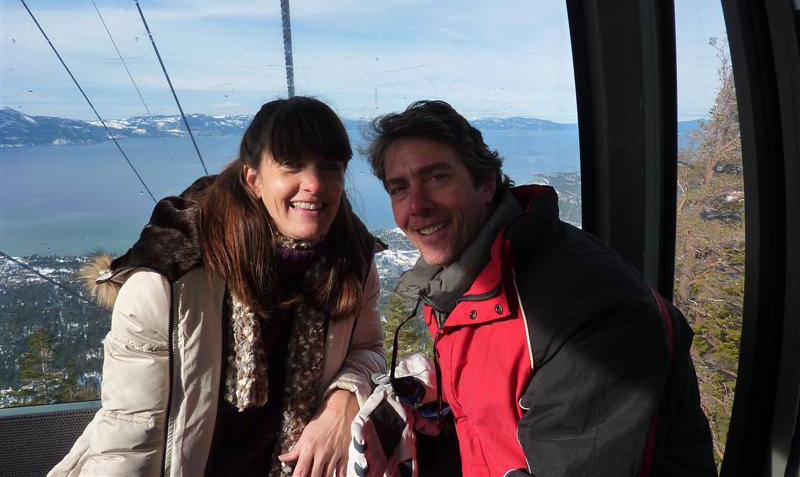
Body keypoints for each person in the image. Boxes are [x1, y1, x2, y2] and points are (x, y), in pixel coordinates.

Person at [364, 100, 717, 476]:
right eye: (399, 188)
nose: (416, 205)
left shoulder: (588, 313)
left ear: (486, 183)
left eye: (436, 177)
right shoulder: (461, 282)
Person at [50, 97, 385, 477]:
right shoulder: (170, 276)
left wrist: (344, 400)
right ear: (254, 180)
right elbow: (131, 436)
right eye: (291, 165)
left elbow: (367, 350)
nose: (314, 184)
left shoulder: (351, 260)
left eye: (330, 168)